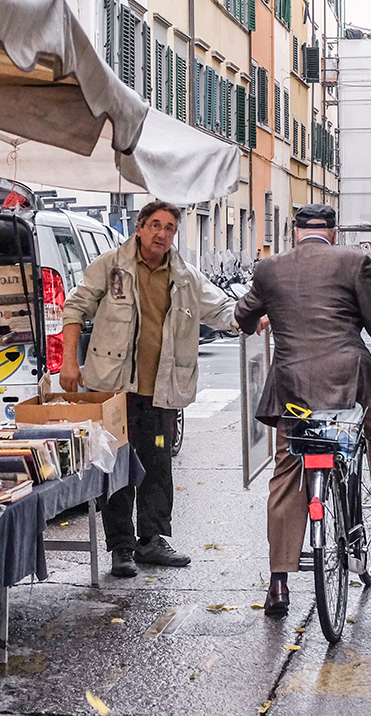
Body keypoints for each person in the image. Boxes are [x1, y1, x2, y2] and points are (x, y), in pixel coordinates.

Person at [233, 203, 371, 616]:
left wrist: (262, 319)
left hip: (292, 388)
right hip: (349, 381)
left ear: (295, 232)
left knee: (286, 473)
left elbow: (244, 316)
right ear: (331, 232)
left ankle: (278, 584)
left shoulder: (269, 268)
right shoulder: (353, 262)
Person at [60, 201, 238, 578]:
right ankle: (121, 547)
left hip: (161, 393)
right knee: (117, 468)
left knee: (157, 466)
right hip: (113, 391)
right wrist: (69, 362)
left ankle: (153, 540)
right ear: (139, 228)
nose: (162, 233)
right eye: (155, 225)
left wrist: (257, 315)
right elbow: (75, 308)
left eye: (169, 227)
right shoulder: (111, 267)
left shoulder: (186, 276)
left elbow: (222, 311)